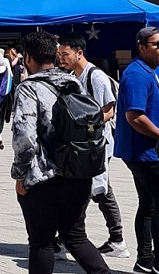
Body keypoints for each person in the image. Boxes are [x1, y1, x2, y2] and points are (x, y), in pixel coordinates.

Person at [10, 30, 111, 274]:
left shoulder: (29, 88)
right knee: (76, 236)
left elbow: (25, 138)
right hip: (79, 171)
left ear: (27, 57)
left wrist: (20, 174)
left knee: (42, 241)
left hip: (45, 177)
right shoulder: (73, 82)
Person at [57, 33, 127, 259]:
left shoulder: (95, 77)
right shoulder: (73, 76)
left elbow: (108, 110)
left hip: (96, 145)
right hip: (81, 145)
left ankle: (73, 239)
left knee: (93, 190)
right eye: (59, 55)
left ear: (79, 53)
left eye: (65, 54)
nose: (61, 59)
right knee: (96, 191)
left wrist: (84, 127)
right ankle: (112, 239)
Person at [114, 27, 159, 274]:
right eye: (157, 44)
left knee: (148, 204)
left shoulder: (147, 71)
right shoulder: (138, 75)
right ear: (141, 47)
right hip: (145, 152)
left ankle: (145, 261)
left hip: (141, 152)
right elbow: (134, 116)